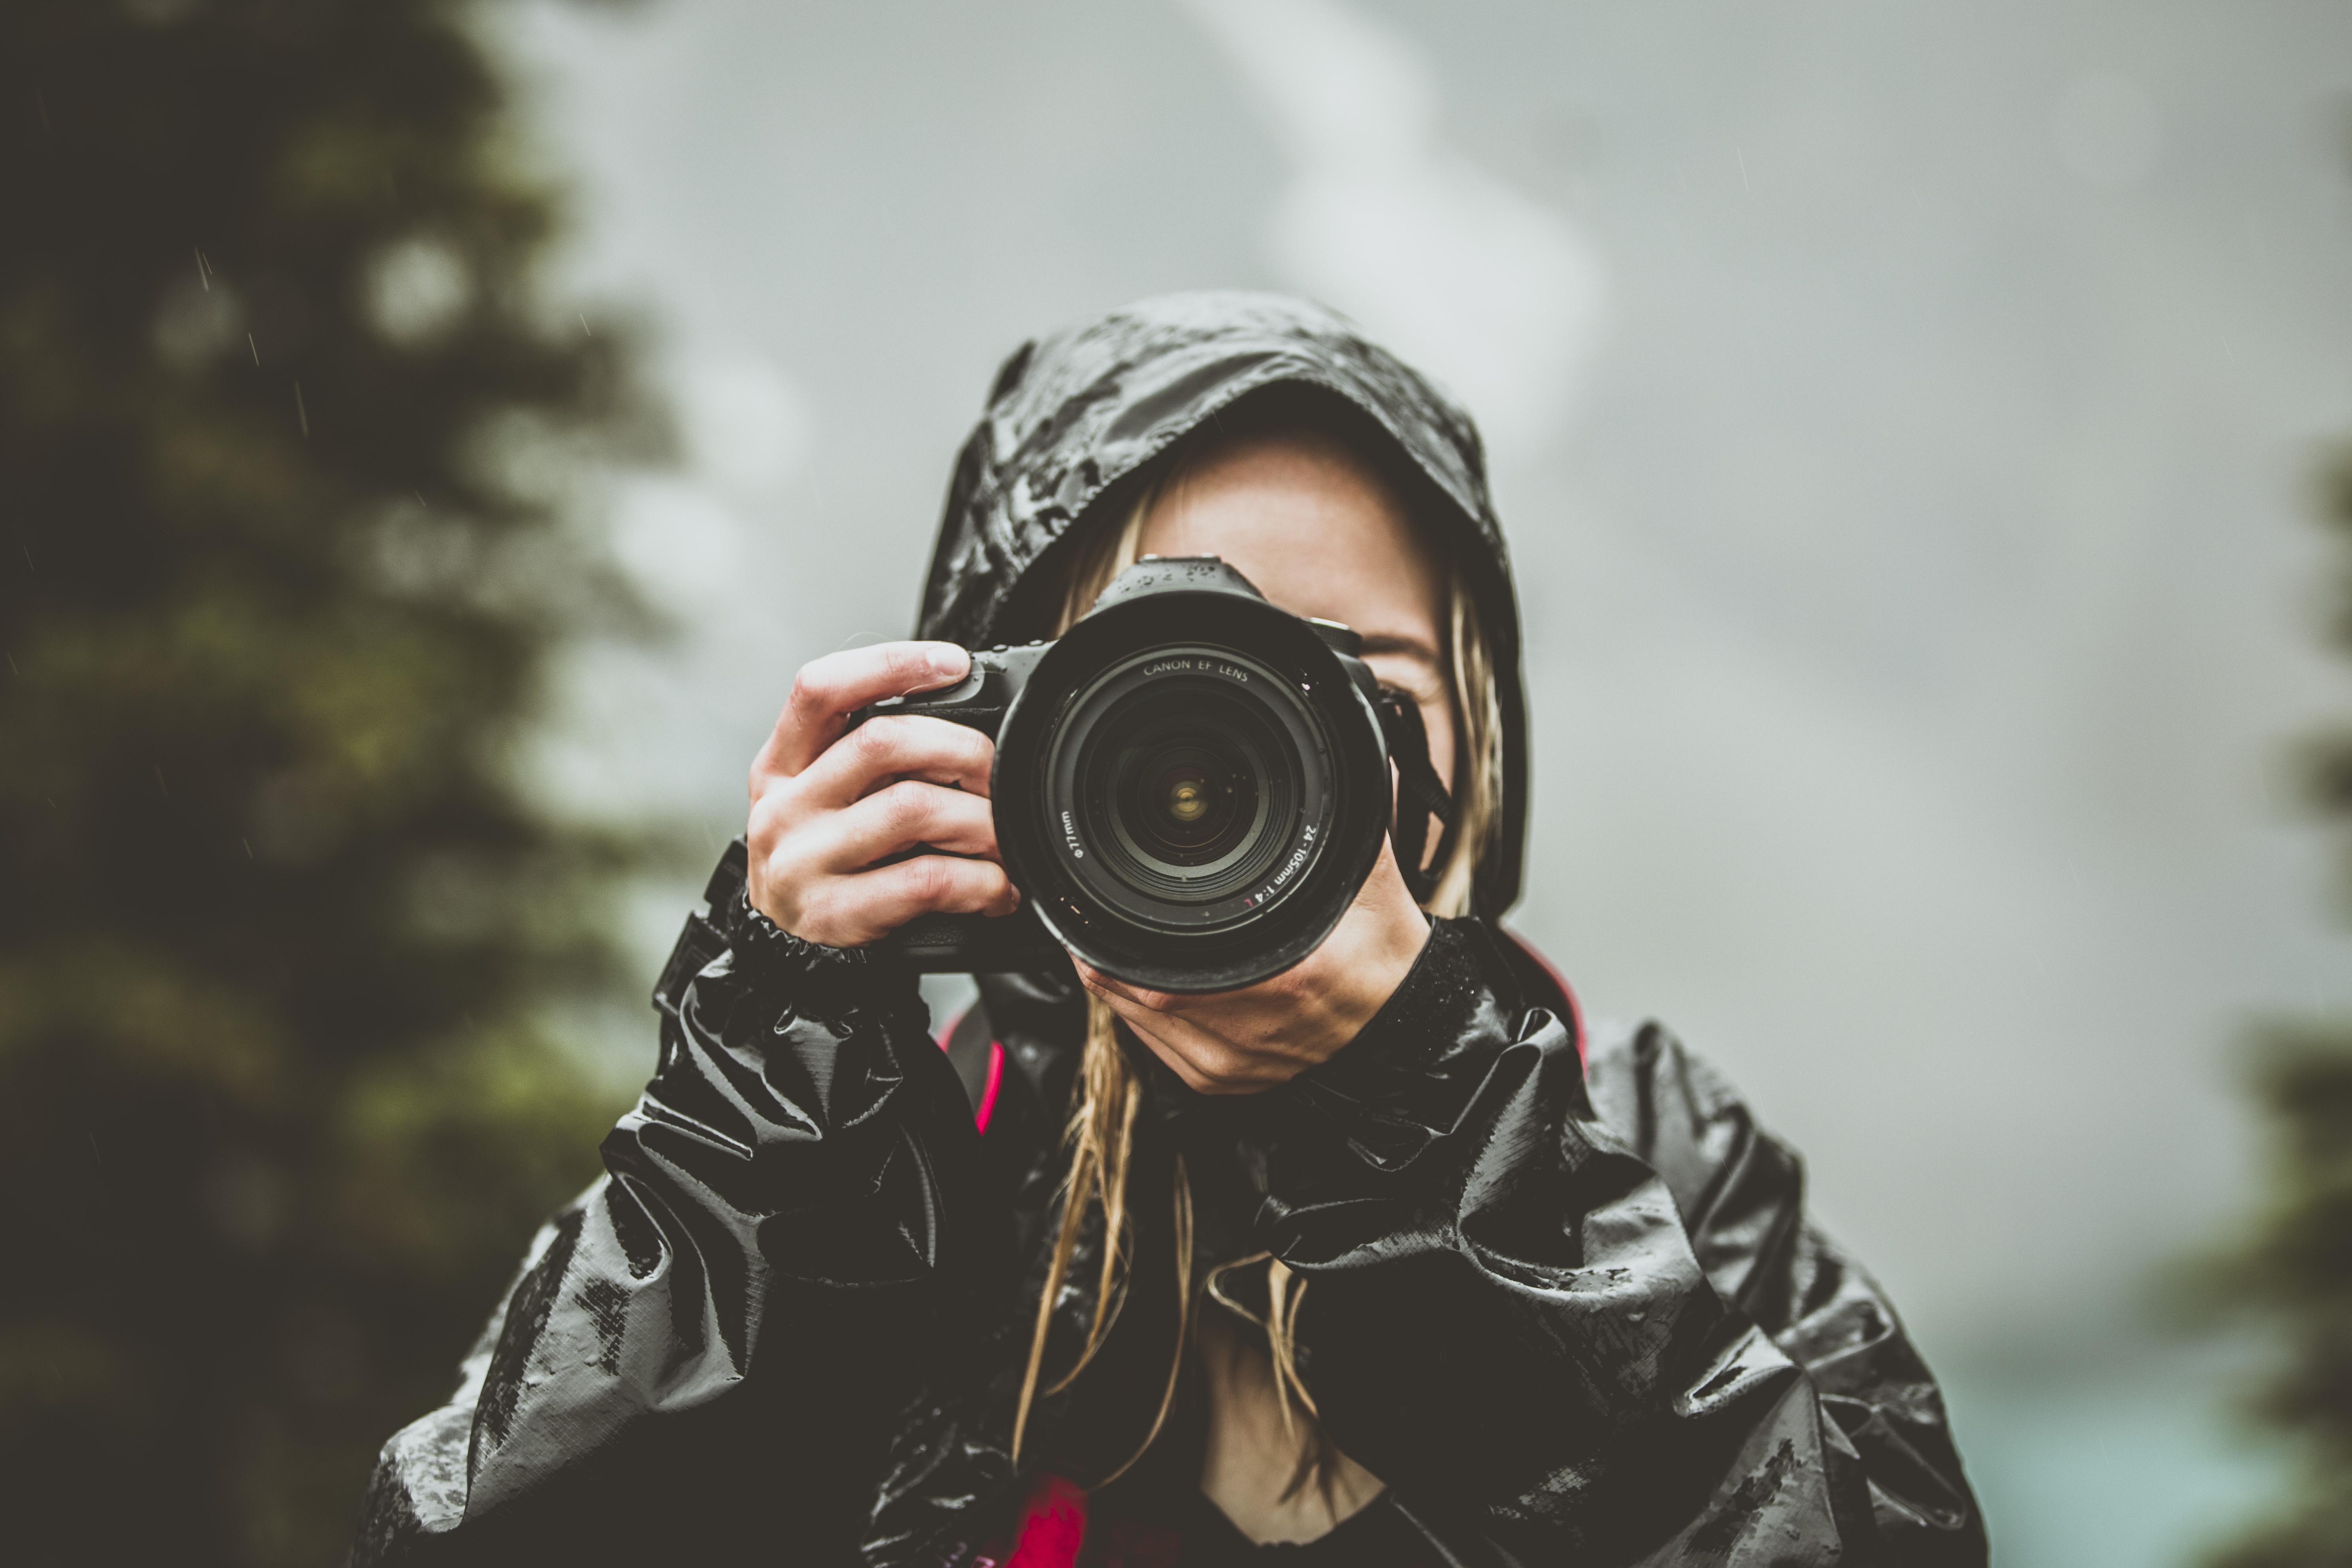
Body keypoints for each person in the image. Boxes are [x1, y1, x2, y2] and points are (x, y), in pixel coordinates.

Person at [351, 293, 1986, 1566]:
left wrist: (1441, 1138)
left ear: (1477, 753)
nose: (1259, 771)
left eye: (1360, 694)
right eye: (1169, 697)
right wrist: (768, 1074)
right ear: (991, 736)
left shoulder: (1649, 1163)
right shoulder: (862, 1153)